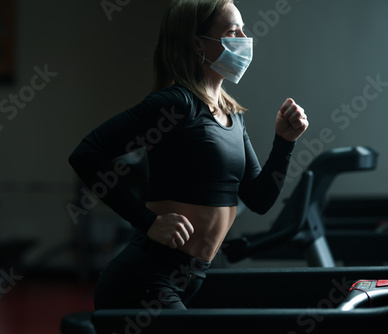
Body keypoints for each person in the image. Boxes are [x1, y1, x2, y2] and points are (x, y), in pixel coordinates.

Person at [69, 0, 308, 311]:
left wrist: (284, 142)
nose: (244, 40)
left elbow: (259, 199)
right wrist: (147, 221)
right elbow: (86, 153)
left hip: (193, 278)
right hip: (145, 277)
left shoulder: (232, 116)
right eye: (233, 31)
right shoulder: (176, 104)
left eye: (243, 30)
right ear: (198, 43)